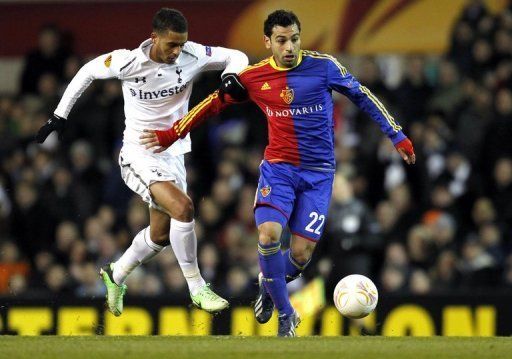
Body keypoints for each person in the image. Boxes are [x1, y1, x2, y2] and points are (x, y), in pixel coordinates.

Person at [140, 10, 415, 336]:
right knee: (269, 235)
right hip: (279, 170)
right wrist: (172, 133)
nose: (289, 47)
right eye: (282, 40)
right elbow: (214, 103)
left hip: (319, 174)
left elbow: (363, 95)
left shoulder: (324, 67)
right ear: (267, 42)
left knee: (300, 255)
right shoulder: (253, 76)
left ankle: (268, 283)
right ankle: (287, 316)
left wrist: (396, 135)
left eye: (295, 39)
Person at [35, 8, 248, 316]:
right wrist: (59, 115)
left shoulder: (193, 54)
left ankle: (116, 274)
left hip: (173, 154)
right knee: (184, 207)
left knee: (160, 236)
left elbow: (238, 56)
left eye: (181, 44)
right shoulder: (128, 61)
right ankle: (198, 286)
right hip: (138, 154)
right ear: (154, 37)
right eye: (171, 44)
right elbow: (87, 72)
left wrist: (230, 76)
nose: (177, 51)